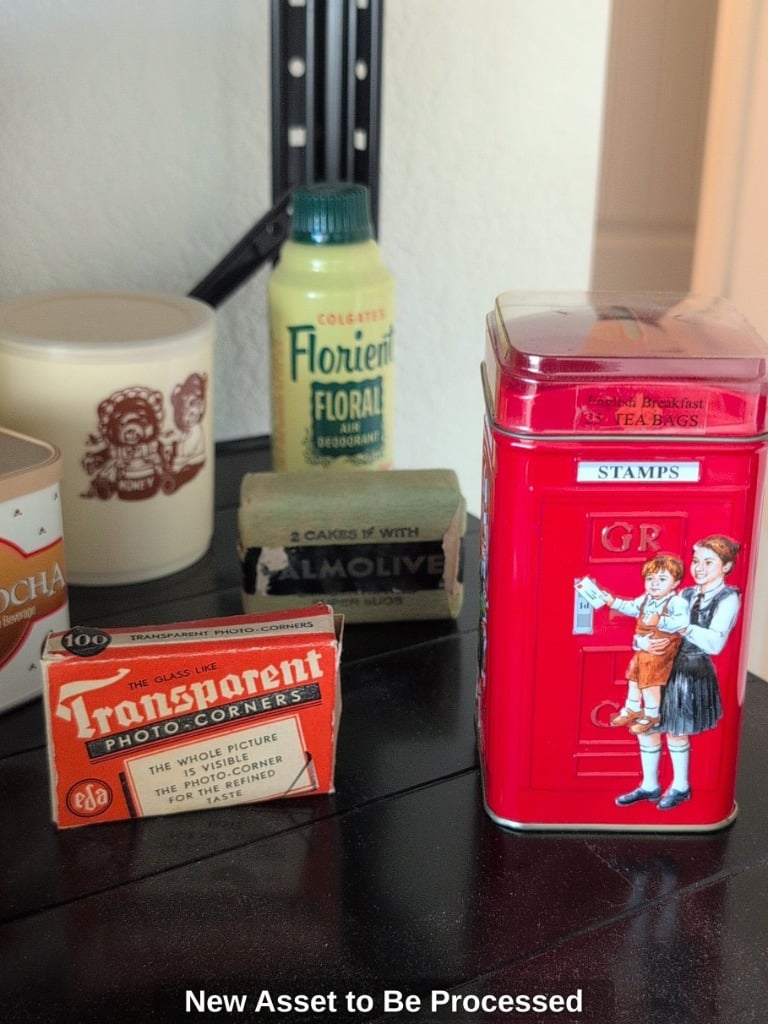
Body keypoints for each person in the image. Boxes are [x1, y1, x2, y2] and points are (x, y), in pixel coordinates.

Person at [615, 535, 741, 811]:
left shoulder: (729, 598)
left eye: (709, 562)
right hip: (663, 664)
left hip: (691, 671)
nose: (699, 568)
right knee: (648, 727)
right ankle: (650, 784)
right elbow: (648, 624)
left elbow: (715, 644)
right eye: (696, 561)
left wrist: (679, 626)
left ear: (727, 566)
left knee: (676, 732)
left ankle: (681, 786)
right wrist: (641, 642)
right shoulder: (684, 594)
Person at [601, 554, 688, 736]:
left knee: (650, 683)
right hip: (643, 648)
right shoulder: (646, 599)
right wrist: (613, 602)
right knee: (634, 678)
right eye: (650, 578)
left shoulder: (677, 602)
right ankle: (633, 708)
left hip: (661, 649)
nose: (654, 584)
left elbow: (682, 622)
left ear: (675, 583)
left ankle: (651, 715)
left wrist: (660, 621)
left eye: (662, 579)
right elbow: (632, 607)